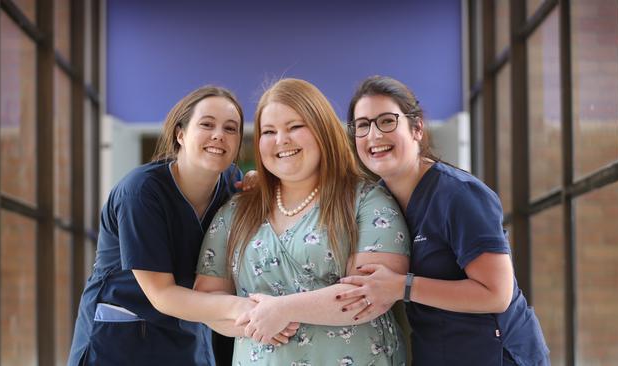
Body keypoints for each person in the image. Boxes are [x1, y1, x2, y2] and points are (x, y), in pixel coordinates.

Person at [336, 75, 550, 365]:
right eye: (363, 125)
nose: (374, 135)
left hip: (495, 354)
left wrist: (402, 286)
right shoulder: (377, 200)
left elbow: (497, 294)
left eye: (387, 121)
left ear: (417, 128)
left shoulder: (459, 195)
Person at [195, 78, 411, 365]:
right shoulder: (236, 211)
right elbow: (207, 296)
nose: (281, 140)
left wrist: (282, 310)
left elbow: (369, 296)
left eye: (295, 127)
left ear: (323, 130)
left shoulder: (368, 201)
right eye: (269, 131)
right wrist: (253, 317)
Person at [67, 86, 288, 366]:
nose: (219, 134)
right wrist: (243, 308)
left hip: (186, 336)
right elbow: (162, 294)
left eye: (230, 128)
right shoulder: (141, 192)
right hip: (119, 340)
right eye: (207, 124)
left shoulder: (233, 184)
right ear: (180, 134)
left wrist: (261, 183)